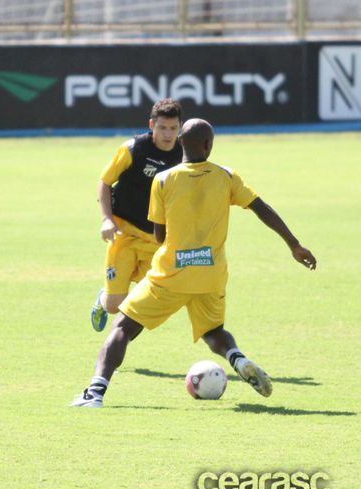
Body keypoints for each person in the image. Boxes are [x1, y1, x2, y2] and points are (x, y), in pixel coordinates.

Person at [72, 118, 316, 408]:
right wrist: (294, 244)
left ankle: (94, 394)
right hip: (211, 275)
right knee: (213, 331)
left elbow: (159, 234)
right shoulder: (227, 176)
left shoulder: (163, 180)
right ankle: (237, 358)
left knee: (123, 327)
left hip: (170, 275)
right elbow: (262, 209)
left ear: (180, 142)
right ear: (208, 145)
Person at [91, 98, 183, 333]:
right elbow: (105, 182)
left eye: (173, 128)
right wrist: (107, 219)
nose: (168, 134)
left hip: (157, 240)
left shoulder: (185, 154)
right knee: (114, 306)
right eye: (162, 127)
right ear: (152, 125)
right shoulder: (133, 149)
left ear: (179, 128)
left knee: (145, 301)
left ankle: (115, 346)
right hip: (124, 233)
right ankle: (104, 299)